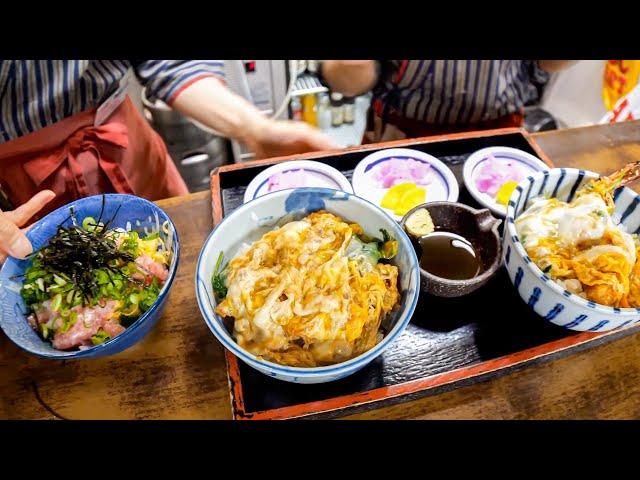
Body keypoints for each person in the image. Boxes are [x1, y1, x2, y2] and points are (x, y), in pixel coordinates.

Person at [0, 60, 336, 262]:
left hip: (123, 144)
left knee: (183, 256)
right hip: (26, 188)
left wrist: (255, 129)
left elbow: (170, 63)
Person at [319, 60, 577, 142]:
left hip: (498, 134)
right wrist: (344, 70)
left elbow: (547, 65)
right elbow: (347, 76)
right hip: (402, 135)